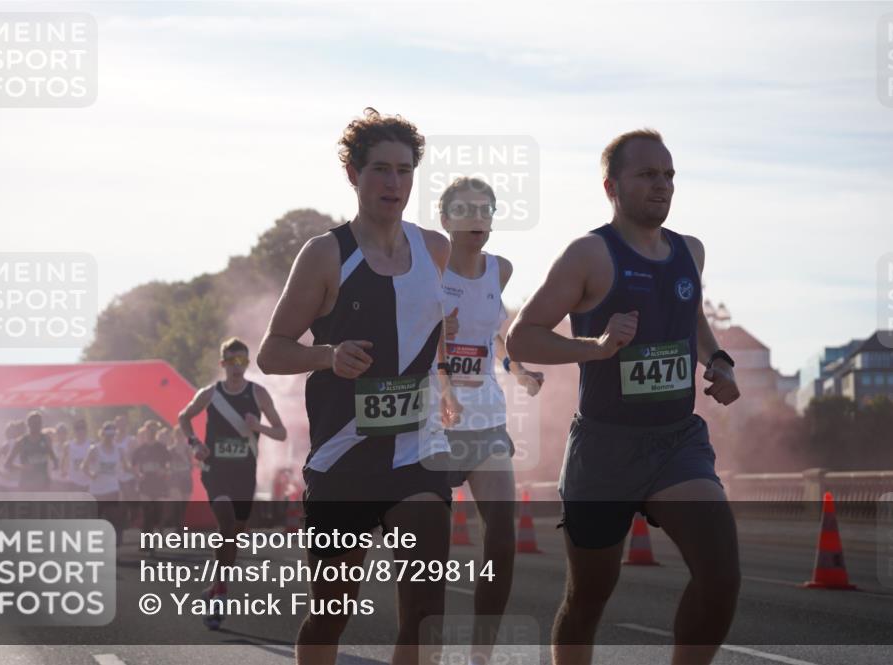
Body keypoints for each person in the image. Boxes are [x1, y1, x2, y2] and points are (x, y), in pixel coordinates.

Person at [506, 129, 742, 665]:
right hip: (604, 450)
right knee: (588, 598)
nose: (663, 186)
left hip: (677, 443)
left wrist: (719, 362)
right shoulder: (590, 254)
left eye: (669, 175)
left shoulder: (690, 252)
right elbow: (522, 337)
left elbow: (694, 322)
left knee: (721, 576)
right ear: (612, 186)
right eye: (648, 175)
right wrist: (597, 345)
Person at [256, 108, 459, 665]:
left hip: (417, 453)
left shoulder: (436, 250)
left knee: (426, 612)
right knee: (331, 615)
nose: (393, 184)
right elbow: (272, 352)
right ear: (353, 173)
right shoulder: (326, 255)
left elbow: (433, 329)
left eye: (404, 171)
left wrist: (448, 382)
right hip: (342, 460)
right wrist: (327, 356)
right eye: (380, 170)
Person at [437, 176, 544, 665]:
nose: (478, 219)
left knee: (502, 535)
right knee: (426, 551)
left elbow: (494, 339)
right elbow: (401, 331)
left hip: (485, 421)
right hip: (431, 422)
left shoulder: (500, 269)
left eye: (486, 210)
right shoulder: (427, 269)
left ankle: (481, 653)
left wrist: (519, 371)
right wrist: (433, 331)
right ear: (447, 220)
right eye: (467, 210)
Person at [178, 337, 288, 630]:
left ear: (247, 363)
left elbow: (281, 433)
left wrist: (258, 426)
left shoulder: (259, 394)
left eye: (243, 361)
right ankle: (221, 593)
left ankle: (216, 585)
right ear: (223, 364)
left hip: (244, 473)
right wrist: (194, 444)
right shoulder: (210, 394)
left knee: (234, 535)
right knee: (226, 524)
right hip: (216, 471)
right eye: (232, 361)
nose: (238, 367)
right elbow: (184, 417)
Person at [83, 421, 127, 546]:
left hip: (112, 489)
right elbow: (84, 467)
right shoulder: (94, 449)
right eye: (107, 436)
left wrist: (135, 472)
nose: (110, 438)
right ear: (102, 434)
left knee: (114, 519)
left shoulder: (119, 450)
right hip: (97, 490)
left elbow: (126, 465)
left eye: (112, 436)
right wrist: (91, 474)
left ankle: (114, 548)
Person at [5, 411, 58, 492]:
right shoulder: (21, 441)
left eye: (39, 422)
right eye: (34, 423)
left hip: (43, 484)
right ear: (28, 424)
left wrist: (55, 463)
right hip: (27, 485)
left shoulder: (46, 439)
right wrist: (23, 467)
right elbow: (7, 464)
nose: (37, 425)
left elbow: (53, 456)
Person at [165, 426, 194, 534]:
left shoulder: (188, 448)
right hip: (175, 477)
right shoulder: (170, 449)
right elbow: (167, 464)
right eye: (178, 434)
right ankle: (179, 528)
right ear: (174, 435)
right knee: (178, 503)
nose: (180, 437)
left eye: (181, 434)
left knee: (184, 505)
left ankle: (180, 527)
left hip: (186, 477)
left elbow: (192, 463)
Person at [59, 418, 93, 495]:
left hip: (89, 483)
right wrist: (63, 472)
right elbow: (62, 461)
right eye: (77, 428)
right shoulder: (68, 445)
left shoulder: (92, 444)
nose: (80, 430)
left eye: (82, 427)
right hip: (73, 483)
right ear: (74, 430)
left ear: (86, 429)